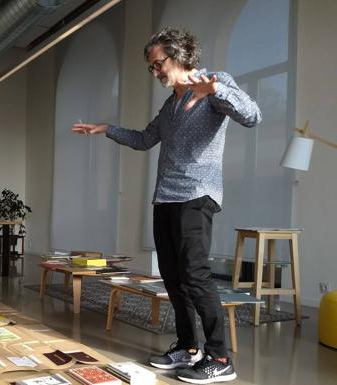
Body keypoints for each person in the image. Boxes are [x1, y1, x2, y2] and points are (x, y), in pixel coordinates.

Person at [72, 27, 261, 384]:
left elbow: (253, 115)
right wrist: (106, 129)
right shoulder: (171, 104)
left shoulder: (214, 82)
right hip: (166, 197)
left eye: (158, 63)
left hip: (197, 194)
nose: (155, 71)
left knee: (195, 274)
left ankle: (220, 356)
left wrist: (215, 89)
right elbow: (145, 140)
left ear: (179, 56)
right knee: (173, 278)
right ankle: (188, 347)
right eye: (151, 67)